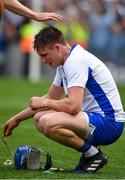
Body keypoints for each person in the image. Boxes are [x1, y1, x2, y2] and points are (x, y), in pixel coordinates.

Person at [3, 26, 125, 174]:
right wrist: (17, 119)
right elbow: (50, 98)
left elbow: (73, 106)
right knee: (40, 117)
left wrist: (44, 103)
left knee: (47, 121)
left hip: (109, 123)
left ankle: (93, 155)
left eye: (44, 55)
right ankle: (90, 154)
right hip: (97, 119)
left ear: (57, 47)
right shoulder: (65, 63)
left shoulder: (76, 61)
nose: (42, 60)